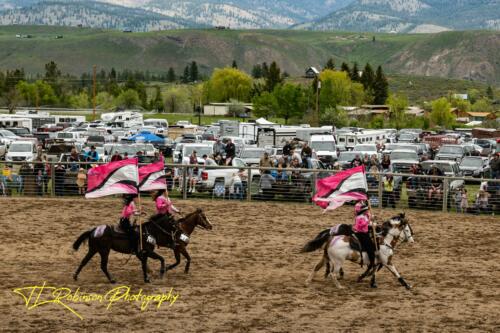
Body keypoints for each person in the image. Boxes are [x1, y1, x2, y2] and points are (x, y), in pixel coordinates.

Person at [353, 201, 376, 268]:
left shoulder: (363, 216)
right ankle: (372, 261)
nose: (367, 211)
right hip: (361, 233)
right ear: (364, 211)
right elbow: (361, 225)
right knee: (370, 247)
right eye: (366, 210)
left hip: (363, 232)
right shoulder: (360, 217)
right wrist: (369, 220)